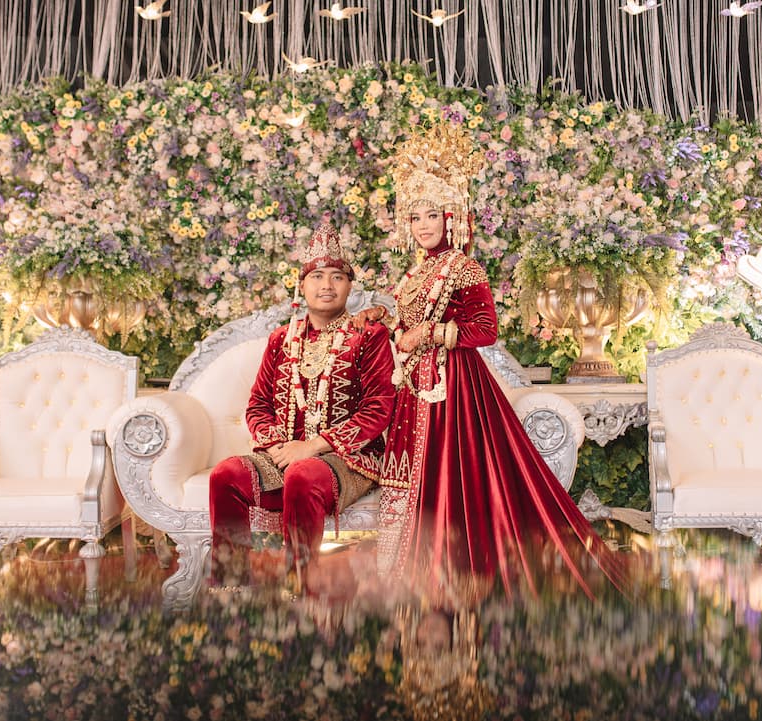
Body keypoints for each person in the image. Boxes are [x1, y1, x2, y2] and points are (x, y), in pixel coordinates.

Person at [371, 123, 629, 599]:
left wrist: (433, 332)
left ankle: (458, 572)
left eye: (432, 215)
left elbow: (485, 330)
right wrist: (390, 325)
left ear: (451, 217)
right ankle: (415, 574)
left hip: (453, 391)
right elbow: (408, 327)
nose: (424, 226)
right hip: (416, 391)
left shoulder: (464, 267)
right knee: (415, 478)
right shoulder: (415, 272)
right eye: (415, 217)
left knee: (452, 478)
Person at [208, 217, 396, 590]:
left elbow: (378, 408)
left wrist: (311, 447)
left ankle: (300, 585)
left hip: (351, 459)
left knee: (303, 474)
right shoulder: (282, 339)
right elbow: (258, 405)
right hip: (286, 455)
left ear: (349, 286)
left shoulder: (368, 336)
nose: (326, 285)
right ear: (302, 285)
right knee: (225, 474)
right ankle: (231, 585)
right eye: (317, 276)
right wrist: (278, 446)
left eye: (337, 277)